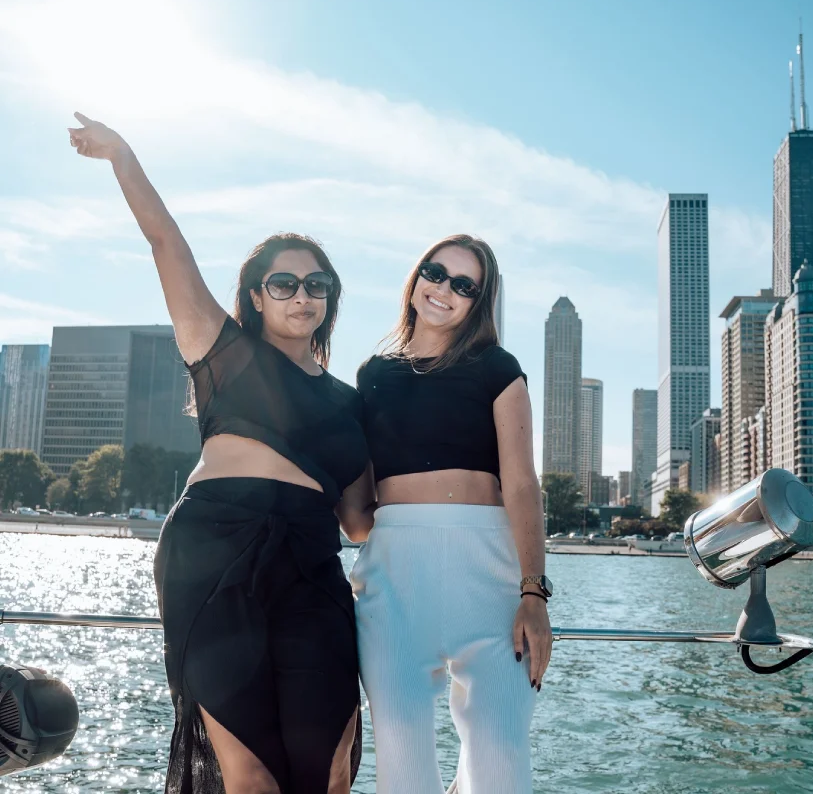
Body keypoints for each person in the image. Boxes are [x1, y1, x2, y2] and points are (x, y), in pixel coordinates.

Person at [68, 113, 375, 794]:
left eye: (316, 285)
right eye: (284, 283)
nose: (302, 295)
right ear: (256, 296)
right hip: (213, 551)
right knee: (251, 776)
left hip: (311, 563)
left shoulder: (352, 402)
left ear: (330, 299)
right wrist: (122, 156)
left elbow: (360, 521)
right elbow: (164, 242)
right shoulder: (223, 352)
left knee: (329, 769)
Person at [351, 234, 553, 794]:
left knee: (501, 765)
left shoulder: (497, 368)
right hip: (393, 581)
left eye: (464, 285)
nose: (444, 289)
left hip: (490, 577)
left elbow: (522, 484)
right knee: (402, 771)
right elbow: (358, 516)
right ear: (417, 277)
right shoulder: (371, 375)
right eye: (436, 273)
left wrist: (534, 593)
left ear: (478, 302)